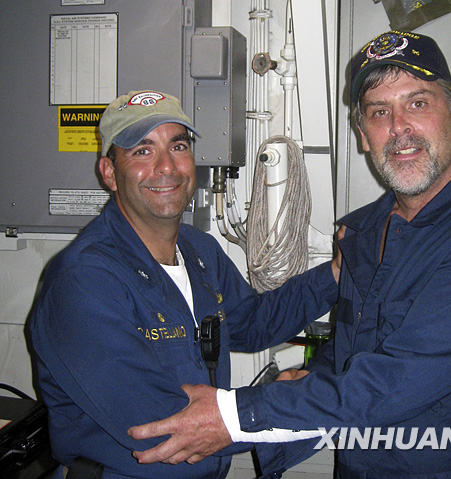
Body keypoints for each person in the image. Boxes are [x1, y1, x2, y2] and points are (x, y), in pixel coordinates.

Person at [128, 31, 451, 478]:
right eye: (379, 112)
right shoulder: (364, 232)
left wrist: (236, 415)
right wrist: (315, 378)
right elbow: (355, 348)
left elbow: (400, 377)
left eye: (418, 103)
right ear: (362, 135)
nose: (398, 128)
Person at [29, 90, 340, 479]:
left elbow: (252, 323)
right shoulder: (83, 282)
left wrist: (336, 274)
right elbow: (162, 423)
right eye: (142, 151)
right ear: (109, 173)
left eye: (177, 145)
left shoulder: (199, 251)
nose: (166, 167)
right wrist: (283, 401)